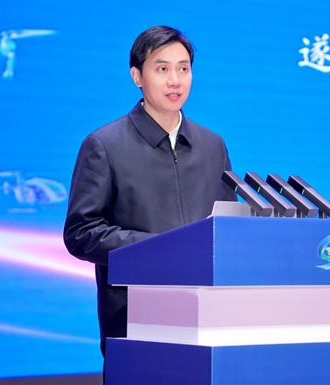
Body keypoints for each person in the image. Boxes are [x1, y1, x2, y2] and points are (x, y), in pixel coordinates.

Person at [63, 25, 237, 361]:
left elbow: (226, 228)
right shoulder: (104, 145)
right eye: (162, 69)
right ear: (137, 77)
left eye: (183, 69)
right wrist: (158, 249)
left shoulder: (213, 145)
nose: (175, 81)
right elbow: (80, 233)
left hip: (207, 323)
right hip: (134, 322)